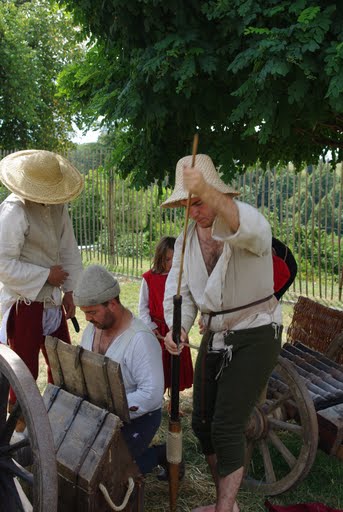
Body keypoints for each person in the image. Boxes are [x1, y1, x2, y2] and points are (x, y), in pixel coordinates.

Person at [162, 154, 282, 512]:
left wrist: (209, 194)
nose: (193, 211)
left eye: (197, 202)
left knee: (228, 425)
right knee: (201, 424)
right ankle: (224, 504)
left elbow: (247, 227)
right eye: (186, 204)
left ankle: (225, 509)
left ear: (214, 194)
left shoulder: (245, 219)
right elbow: (177, 288)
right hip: (215, 336)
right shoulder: (186, 239)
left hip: (255, 331)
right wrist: (178, 328)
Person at [0, 149, 84, 429]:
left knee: (63, 366)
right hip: (24, 301)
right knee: (24, 372)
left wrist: (70, 291)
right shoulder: (15, 209)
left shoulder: (58, 206)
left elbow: (68, 249)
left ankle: (59, 426)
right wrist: (46, 274)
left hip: (51, 301)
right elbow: (2, 262)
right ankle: (18, 434)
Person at [73, 264, 167, 476]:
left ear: (113, 303)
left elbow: (151, 396)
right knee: (76, 457)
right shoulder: (93, 329)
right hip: (101, 413)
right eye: (85, 313)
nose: (87, 319)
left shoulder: (140, 340)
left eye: (92, 312)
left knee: (108, 474)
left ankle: (160, 454)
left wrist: (111, 409)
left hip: (139, 419)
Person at [139, 235, 193, 393]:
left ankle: (173, 399)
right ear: (160, 257)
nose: (171, 264)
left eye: (174, 260)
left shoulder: (181, 279)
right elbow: (143, 307)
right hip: (158, 332)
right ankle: (158, 395)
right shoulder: (149, 278)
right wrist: (150, 326)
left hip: (175, 328)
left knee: (176, 366)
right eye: (167, 259)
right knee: (159, 366)